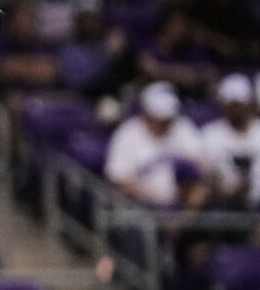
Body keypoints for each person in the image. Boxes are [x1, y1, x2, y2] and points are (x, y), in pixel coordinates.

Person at [104, 81, 208, 208]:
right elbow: (118, 177)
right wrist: (156, 199)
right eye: (160, 119)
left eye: (169, 119)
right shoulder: (128, 132)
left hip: (181, 205)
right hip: (141, 207)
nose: (166, 124)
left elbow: (201, 164)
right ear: (147, 114)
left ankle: (180, 225)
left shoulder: (182, 127)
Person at [202, 73, 260, 209]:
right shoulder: (210, 134)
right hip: (224, 205)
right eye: (232, 104)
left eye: (239, 104)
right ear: (223, 104)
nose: (236, 109)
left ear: (249, 102)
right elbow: (208, 178)